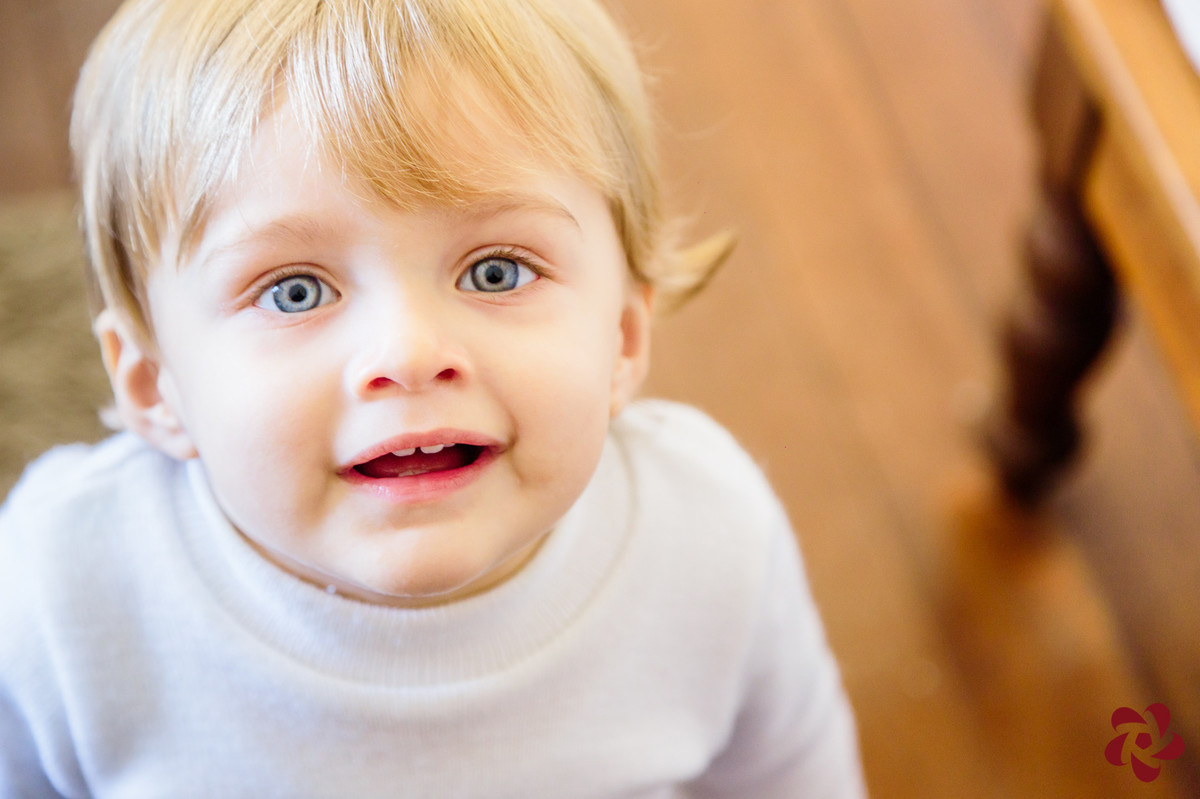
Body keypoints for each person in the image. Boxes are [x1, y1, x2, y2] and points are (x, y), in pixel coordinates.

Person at [0, 0, 867, 795]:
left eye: (496, 271)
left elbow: (791, 771)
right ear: (156, 383)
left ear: (623, 339)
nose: (409, 354)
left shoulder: (709, 536)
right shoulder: (64, 591)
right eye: (295, 290)